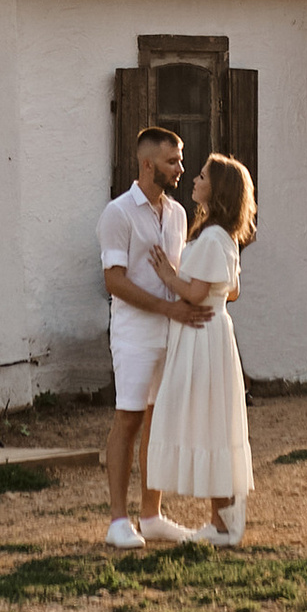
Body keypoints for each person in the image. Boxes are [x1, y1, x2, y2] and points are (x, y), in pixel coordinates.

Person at [97, 125, 210, 550]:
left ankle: (152, 515)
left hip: (173, 334)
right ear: (148, 164)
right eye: (173, 161)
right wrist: (168, 308)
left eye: (180, 160)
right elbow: (113, 281)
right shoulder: (118, 213)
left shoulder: (179, 214)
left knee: (158, 425)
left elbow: (177, 275)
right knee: (128, 419)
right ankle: (117, 521)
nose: (181, 168)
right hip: (135, 335)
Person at [151, 153, 257, 545]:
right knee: (215, 421)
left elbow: (197, 293)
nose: (194, 179)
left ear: (218, 189)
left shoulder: (213, 237)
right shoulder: (220, 235)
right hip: (211, 334)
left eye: (202, 176)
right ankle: (220, 522)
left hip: (203, 335)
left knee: (212, 421)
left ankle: (223, 525)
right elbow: (232, 290)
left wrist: (169, 276)